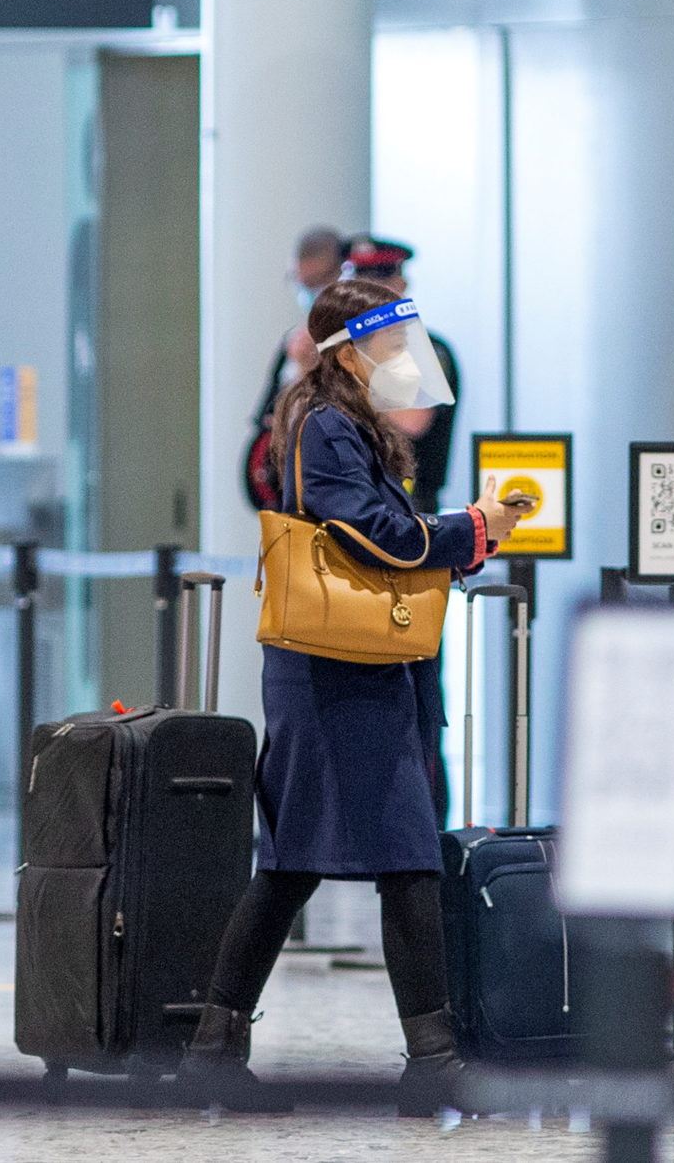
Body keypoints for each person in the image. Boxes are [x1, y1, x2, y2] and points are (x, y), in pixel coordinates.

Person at [183, 278, 530, 1112]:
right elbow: (375, 534)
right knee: (397, 858)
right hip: (338, 679)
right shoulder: (328, 426)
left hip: (353, 674)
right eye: (391, 344)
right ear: (352, 349)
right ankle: (432, 1061)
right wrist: (473, 528)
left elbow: (385, 533)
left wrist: (461, 535)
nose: (405, 359)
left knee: (298, 863)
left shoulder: (337, 422)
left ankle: (215, 1048)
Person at [340, 236, 460, 510]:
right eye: (358, 283)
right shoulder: (341, 349)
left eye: (378, 281)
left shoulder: (425, 350)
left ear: (400, 285)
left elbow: (413, 418)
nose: (367, 296)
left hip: (407, 506)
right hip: (348, 502)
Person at [242, 225, 348, 511]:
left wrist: (309, 370)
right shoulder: (295, 341)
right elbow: (270, 421)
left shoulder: (356, 344)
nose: (307, 293)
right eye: (300, 282)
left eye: (315, 282)